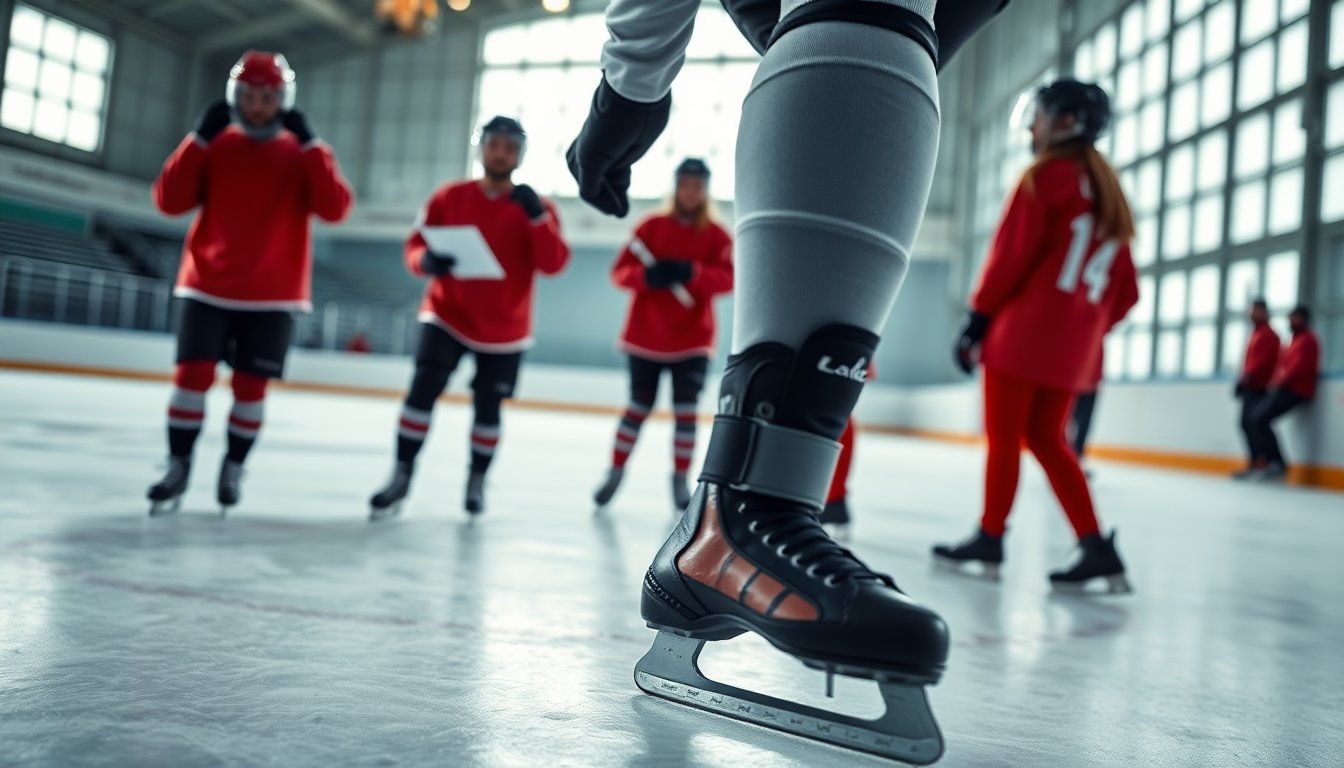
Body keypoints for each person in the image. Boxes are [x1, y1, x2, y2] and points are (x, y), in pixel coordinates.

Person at [565, 0, 1011, 760]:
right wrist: (631, 78)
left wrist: (631, 88)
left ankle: (735, 521)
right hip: (649, 339)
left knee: (887, 16)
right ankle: (739, 517)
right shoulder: (658, 227)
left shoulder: (701, 231)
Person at [933, 79, 1138, 594]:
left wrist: (977, 320)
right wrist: (1084, 326)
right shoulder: (1109, 194)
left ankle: (990, 537)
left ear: (1066, 122)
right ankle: (1097, 548)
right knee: (1051, 441)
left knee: (1005, 438)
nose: (1031, 125)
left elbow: (1010, 258)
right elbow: (1126, 292)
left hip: (1021, 338)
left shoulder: (1045, 177)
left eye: (1039, 115)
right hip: (1073, 351)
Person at [146, 51, 353, 516]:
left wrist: (313, 148)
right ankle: (178, 465)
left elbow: (336, 209)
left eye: (267, 96)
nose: (257, 105)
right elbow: (168, 202)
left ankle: (233, 466)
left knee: (250, 389)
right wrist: (197, 140)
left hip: (273, 295)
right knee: (190, 380)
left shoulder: (303, 153)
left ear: (283, 99)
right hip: (207, 285)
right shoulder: (215, 145)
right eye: (248, 95)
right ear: (232, 96)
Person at [368, 116, 570, 520]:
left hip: (505, 328)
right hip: (447, 313)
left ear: (519, 155)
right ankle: (401, 474)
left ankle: (476, 481)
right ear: (482, 149)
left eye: (510, 147)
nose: (501, 153)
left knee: (488, 405)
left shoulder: (538, 206)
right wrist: (424, 259)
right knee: (422, 388)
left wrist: (537, 220)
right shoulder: (449, 196)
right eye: (494, 144)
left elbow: (553, 263)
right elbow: (414, 246)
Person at [592, 158, 734, 512]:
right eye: (684, 185)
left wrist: (692, 272)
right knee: (637, 407)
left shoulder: (717, 236)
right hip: (645, 338)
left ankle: (679, 481)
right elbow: (620, 273)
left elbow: (728, 280)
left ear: (705, 190)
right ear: (676, 187)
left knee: (686, 413)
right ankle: (615, 470)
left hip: (692, 341)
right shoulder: (650, 227)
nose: (690, 192)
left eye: (697, 186)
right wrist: (646, 278)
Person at [1246, 305, 1320, 481]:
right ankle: (1269, 463)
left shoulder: (1308, 340)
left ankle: (1277, 464)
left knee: (1259, 418)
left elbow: (1298, 368)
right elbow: (1283, 366)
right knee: (1256, 418)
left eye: (1293, 318)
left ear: (1303, 319)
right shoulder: (1293, 340)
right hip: (1284, 388)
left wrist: (1278, 382)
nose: (1289, 321)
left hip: (1296, 389)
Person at [1232, 299, 1282, 478]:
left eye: (1254, 310)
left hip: (1259, 387)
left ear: (1263, 311)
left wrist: (1248, 377)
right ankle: (1257, 463)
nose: (1250, 314)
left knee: (1255, 421)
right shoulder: (1255, 334)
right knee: (1247, 423)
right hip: (1250, 385)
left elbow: (1263, 362)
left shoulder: (1268, 335)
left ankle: (1270, 462)